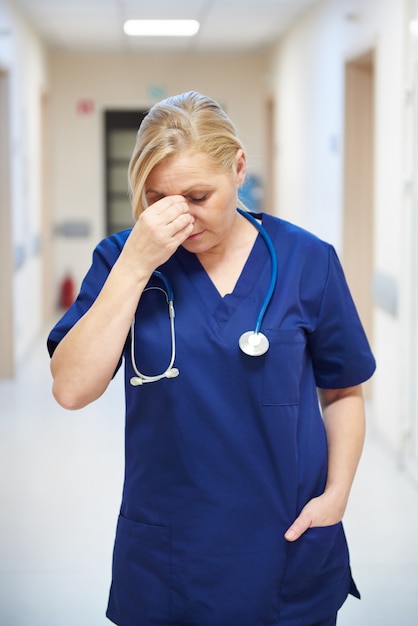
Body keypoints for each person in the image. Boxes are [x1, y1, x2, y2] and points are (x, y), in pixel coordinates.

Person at [47, 91, 376, 626]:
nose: (179, 218)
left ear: (239, 168)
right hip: (170, 557)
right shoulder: (121, 261)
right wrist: (134, 266)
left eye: (198, 196)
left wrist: (337, 496)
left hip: (286, 546)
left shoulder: (306, 260)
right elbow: (71, 388)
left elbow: (343, 391)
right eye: (157, 199)